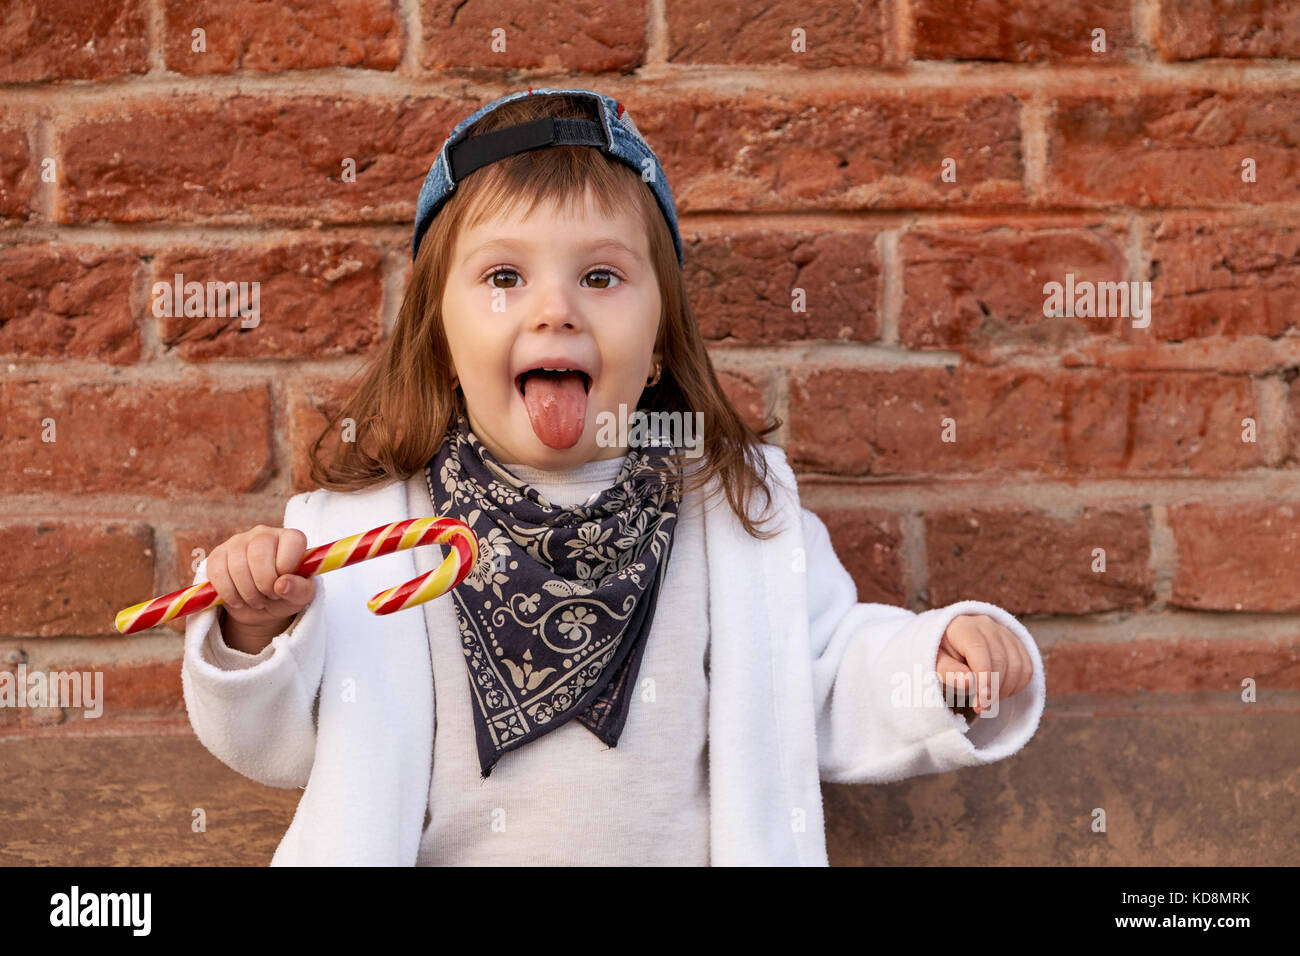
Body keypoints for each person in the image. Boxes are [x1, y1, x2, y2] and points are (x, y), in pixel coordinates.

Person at [180, 87, 1046, 866]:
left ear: (662, 338)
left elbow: (823, 671)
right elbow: (275, 743)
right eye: (504, 277)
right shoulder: (361, 534)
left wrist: (934, 668)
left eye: (600, 276)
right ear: (440, 340)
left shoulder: (735, 515)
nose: (554, 308)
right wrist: (254, 633)